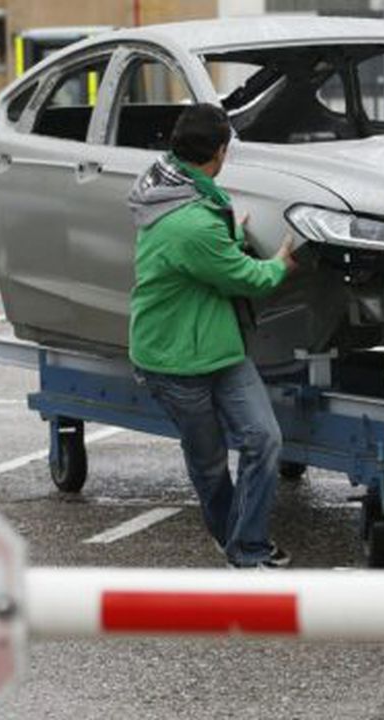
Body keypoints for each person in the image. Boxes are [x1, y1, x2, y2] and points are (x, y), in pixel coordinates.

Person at [126, 104, 297, 569]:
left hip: (219, 347)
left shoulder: (172, 184)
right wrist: (279, 264)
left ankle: (245, 546)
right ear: (220, 152)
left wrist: (227, 237)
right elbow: (246, 278)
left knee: (264, 439)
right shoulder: (190, 222)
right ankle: (240, 546)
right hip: (173, 359)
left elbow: (207, 253)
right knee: (208, 462)